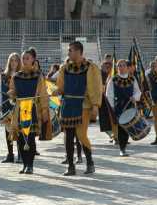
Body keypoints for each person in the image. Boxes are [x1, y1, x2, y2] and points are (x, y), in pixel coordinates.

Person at [56, 41, 102, 176]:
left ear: (78, 51)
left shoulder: (91, 67)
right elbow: (61, 86)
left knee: (81, 135)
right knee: (68, 136)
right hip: (68, 104)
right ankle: (71, 166)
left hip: (83, 105)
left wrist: (95, 106)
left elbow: (95, 87)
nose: (68, 53)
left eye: (70, 50)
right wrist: (57, 91)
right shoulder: (65, 68)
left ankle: (90, 162)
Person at [8, 47, 50, 174]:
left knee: (30, 137)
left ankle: (30, 164)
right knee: (21, 138)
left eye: (27, 58)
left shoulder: (38, 76)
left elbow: (43, 94)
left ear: (33, 60)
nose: (25, 60)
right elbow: (13, 92)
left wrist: (44, 111)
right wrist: (11, 94)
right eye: (23, 58)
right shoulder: (16, 76)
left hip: (32, 109)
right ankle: (25, 163)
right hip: (20, 109)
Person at [106, 60, 141, 156]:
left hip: (129, 106)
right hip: (119, 106)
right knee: (121, 128)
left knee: (127, 128)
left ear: (127, 67)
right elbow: (109, 95)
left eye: (123, 65)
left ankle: (124, 146)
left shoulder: (132, 79)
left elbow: (138, 92)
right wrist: (112, 108)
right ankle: (122, 149)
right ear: (117, 68)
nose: (121, 67)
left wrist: (135, 97)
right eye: (119, 66)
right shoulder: (113, 80)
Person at [0, 53, 22, 163]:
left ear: (19, 62)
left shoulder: (22, 75)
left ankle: (21, 154)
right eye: (11, 60)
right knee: (8, 130)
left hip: (19, 106)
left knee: (19, 130)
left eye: (16, 60)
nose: (13, 63)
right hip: (6, 105)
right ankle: (10, 154)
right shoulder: (3, 75)